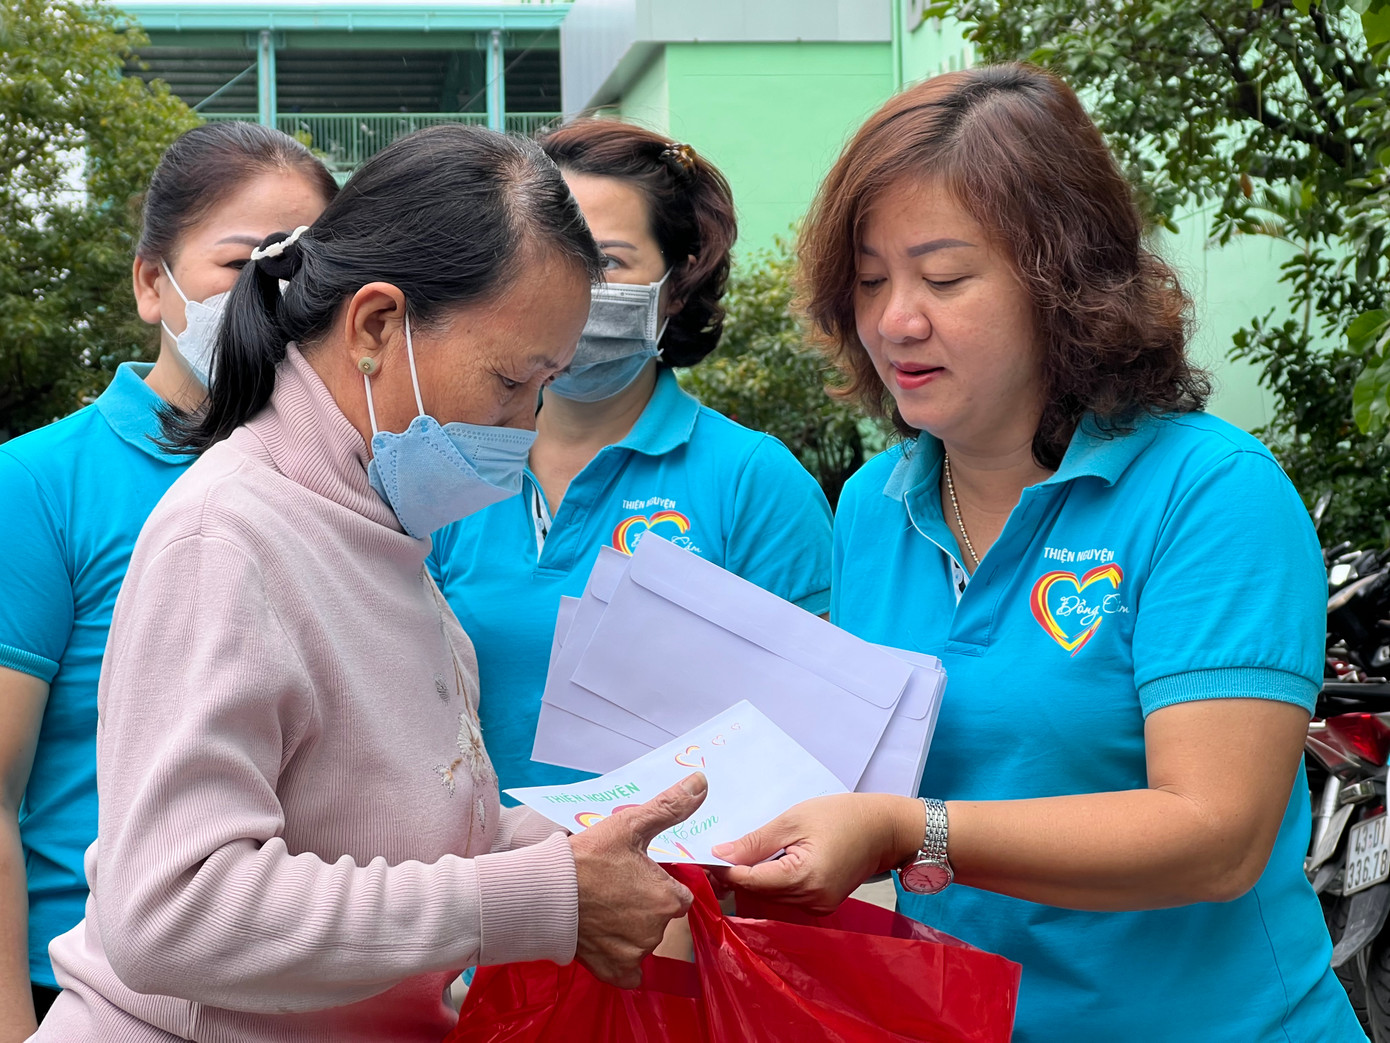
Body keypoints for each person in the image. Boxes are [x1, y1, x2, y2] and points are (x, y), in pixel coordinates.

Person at [711, 65, 1363, 1042]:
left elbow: (1212, 833)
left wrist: (909, 828)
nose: (896, 318)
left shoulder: (1207, 493)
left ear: (1062, 282)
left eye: (942, 276)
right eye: (872, 278)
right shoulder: (870, 510)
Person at [33, 124, 706, 1042]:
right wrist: (533, 896)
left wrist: (588, 858)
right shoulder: (225, 536)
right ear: (378, 325)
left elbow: (400, 845)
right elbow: (175, 908)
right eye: (512, 380)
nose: (525, 425)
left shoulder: (380, 533)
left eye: (544, 387)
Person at [0, 122, 336, 1040]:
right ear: (154, 282)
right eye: (240, 263)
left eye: (301, 268)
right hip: (86, 992)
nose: (273, 293)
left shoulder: (342, 481)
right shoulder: (39, 484)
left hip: (297, 982)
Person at [428, 119, 833, 792]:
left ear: (676, 285)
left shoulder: (753, 481)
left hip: (686, 885)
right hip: (488, 888)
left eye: (608, 261)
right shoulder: (449, 465)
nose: (572, 289)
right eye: (549, 257)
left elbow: (815, 735)